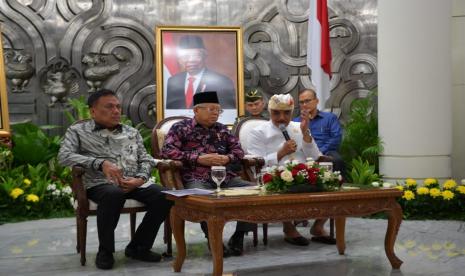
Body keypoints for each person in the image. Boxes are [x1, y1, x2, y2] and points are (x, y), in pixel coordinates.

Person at [58, 89, 172, 270]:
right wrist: (99, 163)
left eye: (118, 107)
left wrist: (140, 179)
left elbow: (146, 159)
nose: (116, 111)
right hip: (99, 184)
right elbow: (64, 157)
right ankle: (105, 251)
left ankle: (138, 247)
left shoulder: (131, 132)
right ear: (93, 111)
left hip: (132, 182)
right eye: (109, 107)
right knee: (113, 194)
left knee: (164, 195)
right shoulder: (78, 131)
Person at [161, 91, 256, 257]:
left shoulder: (222, 129)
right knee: (204, 199)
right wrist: (198, 159)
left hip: (226, 177)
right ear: (196, 110)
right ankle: (213, 240)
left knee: (256, 193)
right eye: (211, 109)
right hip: (196, 177)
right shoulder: (181, 128)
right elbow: (167, 152)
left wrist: (227, 158)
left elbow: (239, 152)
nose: (215, 113)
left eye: (218, 110)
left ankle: (238, 236)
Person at [246, 93, 335, 245]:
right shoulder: (258, 131)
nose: (281, 118)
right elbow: (256, 162)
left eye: (286, 113)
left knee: (331, 185)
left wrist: (306, 133)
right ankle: (288, 228)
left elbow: (314, 157)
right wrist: (281, 153)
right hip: (274, 174)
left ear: (292, 112)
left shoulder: (299, 127)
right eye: (276, 113)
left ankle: (318, 227)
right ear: (269, 112)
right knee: (282, 185)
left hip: (303, 172)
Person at [166, 35, 236, 109]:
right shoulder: (173, 81)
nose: (191, 60)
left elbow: (228, 112)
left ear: (204, 56)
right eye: (185, 56)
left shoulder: (222, 82)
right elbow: (170, 111)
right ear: (179, 60)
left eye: (196, 55)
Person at [293, 88, 344, 175]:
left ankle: (338, 185)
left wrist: (319, 152)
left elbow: (336, 138)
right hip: (304, 153)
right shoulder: (295, 122)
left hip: (326, 152)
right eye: (301, 102)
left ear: (316, 101)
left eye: (307, 101)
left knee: (337, 160)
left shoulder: (329, 118)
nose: (304, 104)